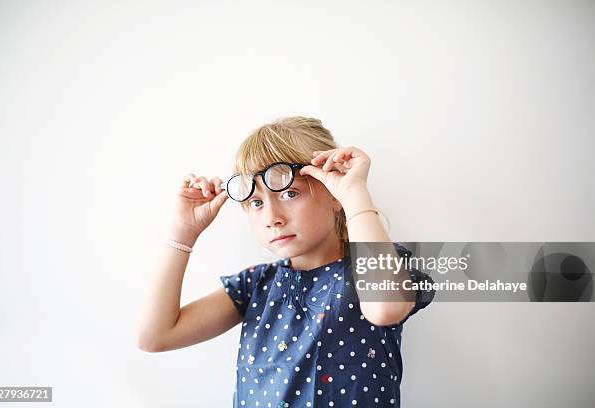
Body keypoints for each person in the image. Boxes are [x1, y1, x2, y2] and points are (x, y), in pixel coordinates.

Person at [137, 116, 435, 407]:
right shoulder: (255, 284)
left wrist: (354, 194)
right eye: (256, 202)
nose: (272, 218)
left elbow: (385, 307)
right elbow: (155, 336)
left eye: (290, 193)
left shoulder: (375, 267)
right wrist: (182, 233)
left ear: (334, 193)